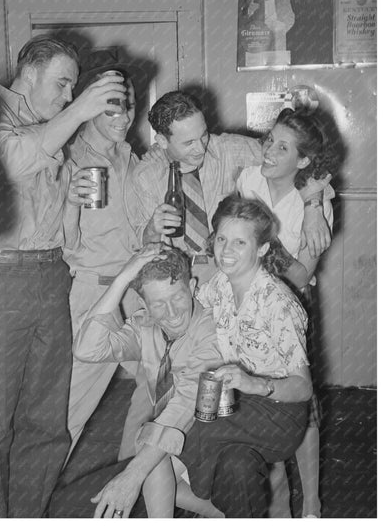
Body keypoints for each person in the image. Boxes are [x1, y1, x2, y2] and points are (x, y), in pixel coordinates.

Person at [0, 34, 127, 518]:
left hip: (50, 275)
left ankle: (27, 515)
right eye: (62, 84)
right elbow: (15, 158)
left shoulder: (50, 128)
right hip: (2, 281)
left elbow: (50, 221)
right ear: (29, 72)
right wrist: (81, 109)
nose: (67, 96)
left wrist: (73, 196)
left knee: (47, 420)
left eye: (72, 89)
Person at [176, 194, 312, 517]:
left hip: (279, 413)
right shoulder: (221, 284)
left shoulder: (278, 303)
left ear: (263, 248)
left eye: (240, 242)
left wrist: (255, 384)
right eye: (221, 239)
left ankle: (172, 476)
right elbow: (190, 302)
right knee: (235, 467)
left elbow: (304, 388)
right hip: (237, 409)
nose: (226, 250)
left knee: (198, 424)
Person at [236, 106, 342, 517]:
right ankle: (279, 506)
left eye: (283, 147)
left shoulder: (314, 204)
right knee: (261, 401)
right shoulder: (246, 179)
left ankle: (311, 505)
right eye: (269, 141)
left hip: (290, 306)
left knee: (301, 404)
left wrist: (265, 237)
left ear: (303, 160)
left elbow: (301, 277)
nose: (270, 151)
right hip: (247, 302)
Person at [72, 245, 223, 518]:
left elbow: (191, 402)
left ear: (192, 285)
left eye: (177, 297)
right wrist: (121, 280)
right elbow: (87, 349)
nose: (173, 312)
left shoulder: (211, 328)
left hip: (216, 429)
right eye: (158, 304)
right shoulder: (146, 326)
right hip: (179, 436)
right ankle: (230, 513)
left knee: (149, 454)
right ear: (144, 305)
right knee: (151, 450)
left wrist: (132, 476)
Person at [130, 90, 333, 288]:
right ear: (163, 141)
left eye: (203, 135)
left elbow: (301, 160)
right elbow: (143, 243)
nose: (201, 148)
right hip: (175, 279)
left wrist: (313, 205)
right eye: (189, 142)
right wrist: (152, 229)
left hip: (227, 278)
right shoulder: (146, 175)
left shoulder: (228, 149)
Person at [62, 65, 143, 461]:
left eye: (126, 105)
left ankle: (139, 478)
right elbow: (61, 245)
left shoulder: (132, 156)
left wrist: (316, 192)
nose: (124, 117)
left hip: (139, 294)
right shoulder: (69, 158)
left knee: (163, 388)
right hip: (96, 296)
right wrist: (69, 204)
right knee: (71, 413)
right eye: (111, 107)